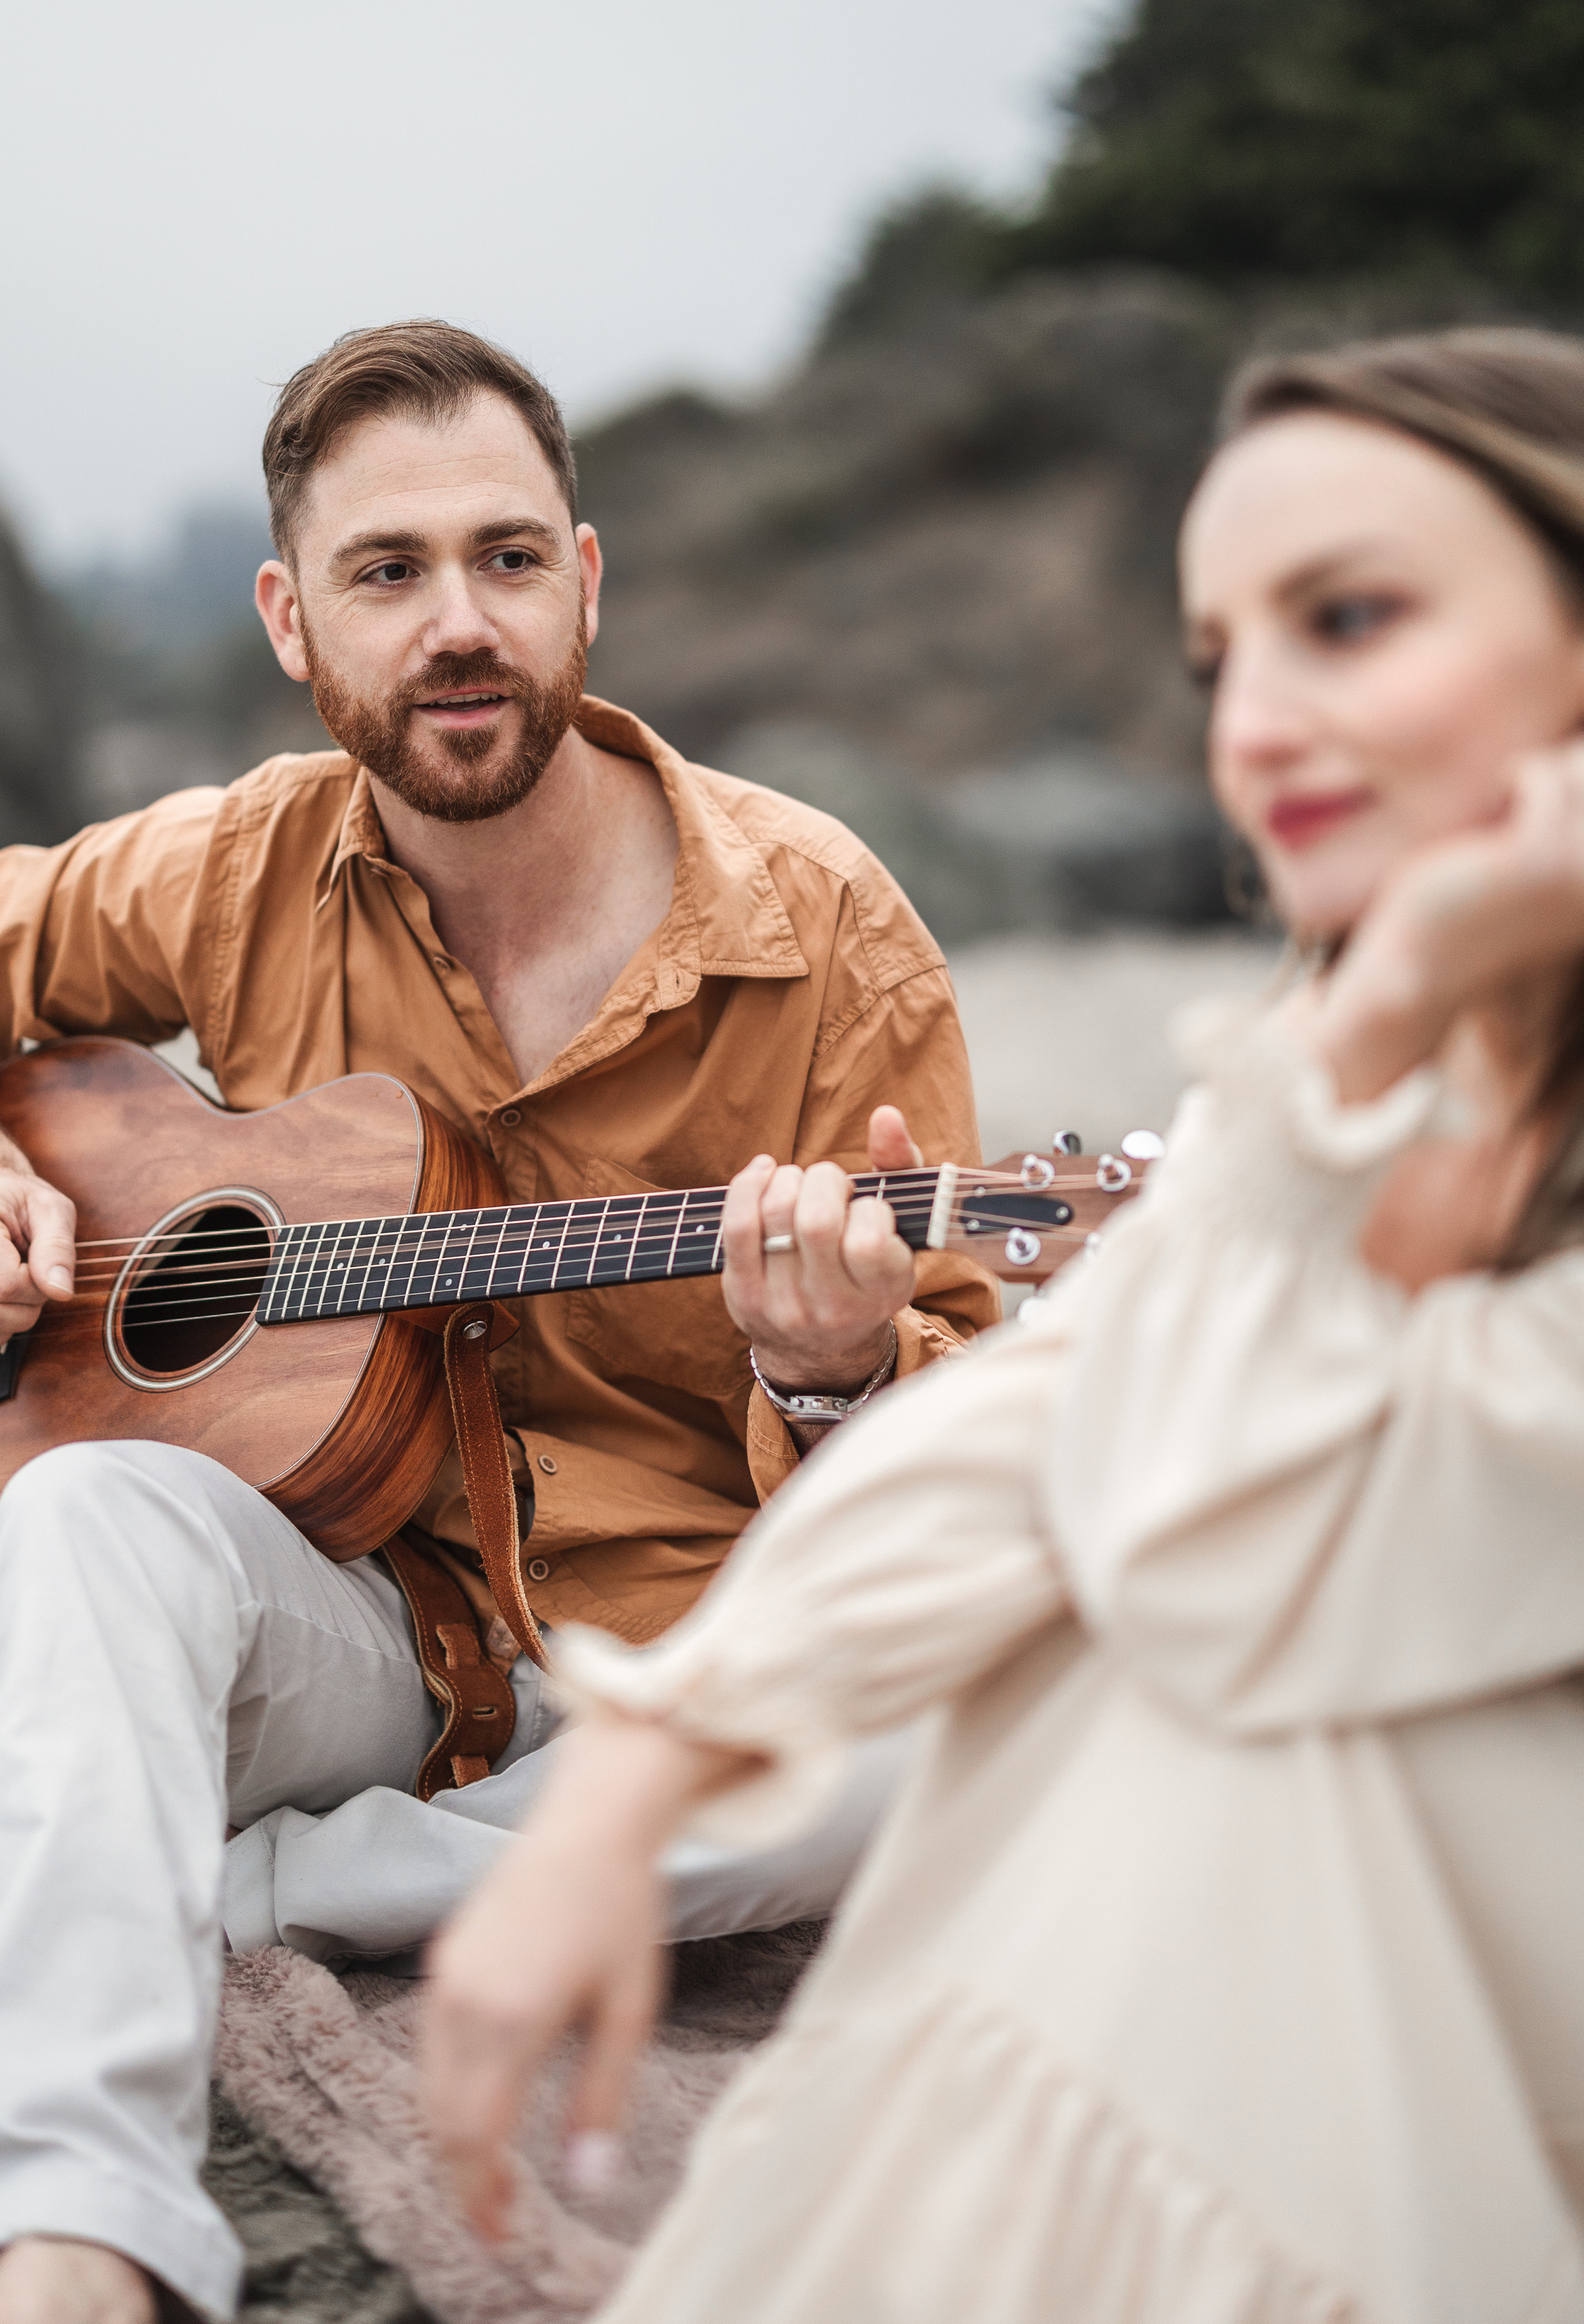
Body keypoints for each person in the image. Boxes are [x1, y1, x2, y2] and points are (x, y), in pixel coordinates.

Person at [0, 320, 996, 2324]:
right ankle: (64, 2230)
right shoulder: (235, 864)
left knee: (949, 1726)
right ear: (292, 619)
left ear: (586, 579)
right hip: (358, 1630)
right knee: (78, 1518)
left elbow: (966, 1460)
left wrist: (841, 1363)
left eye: (508, 560)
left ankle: (227, 1888)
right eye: (390, 572)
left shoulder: (827, 929)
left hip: (676, 1670)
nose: (461, 623)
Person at [425, 325, 1584, 2323]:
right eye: (1226, 660)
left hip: (1464, 2022)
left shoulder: (1339, 1077)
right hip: (1216, 2001)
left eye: (1352, 618)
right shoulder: (1340, 1101)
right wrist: (636, 1773)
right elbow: (1043, 1412)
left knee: (1158, 1696)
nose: (1264, 725)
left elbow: (1243, 1526)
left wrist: (1379, 1009)